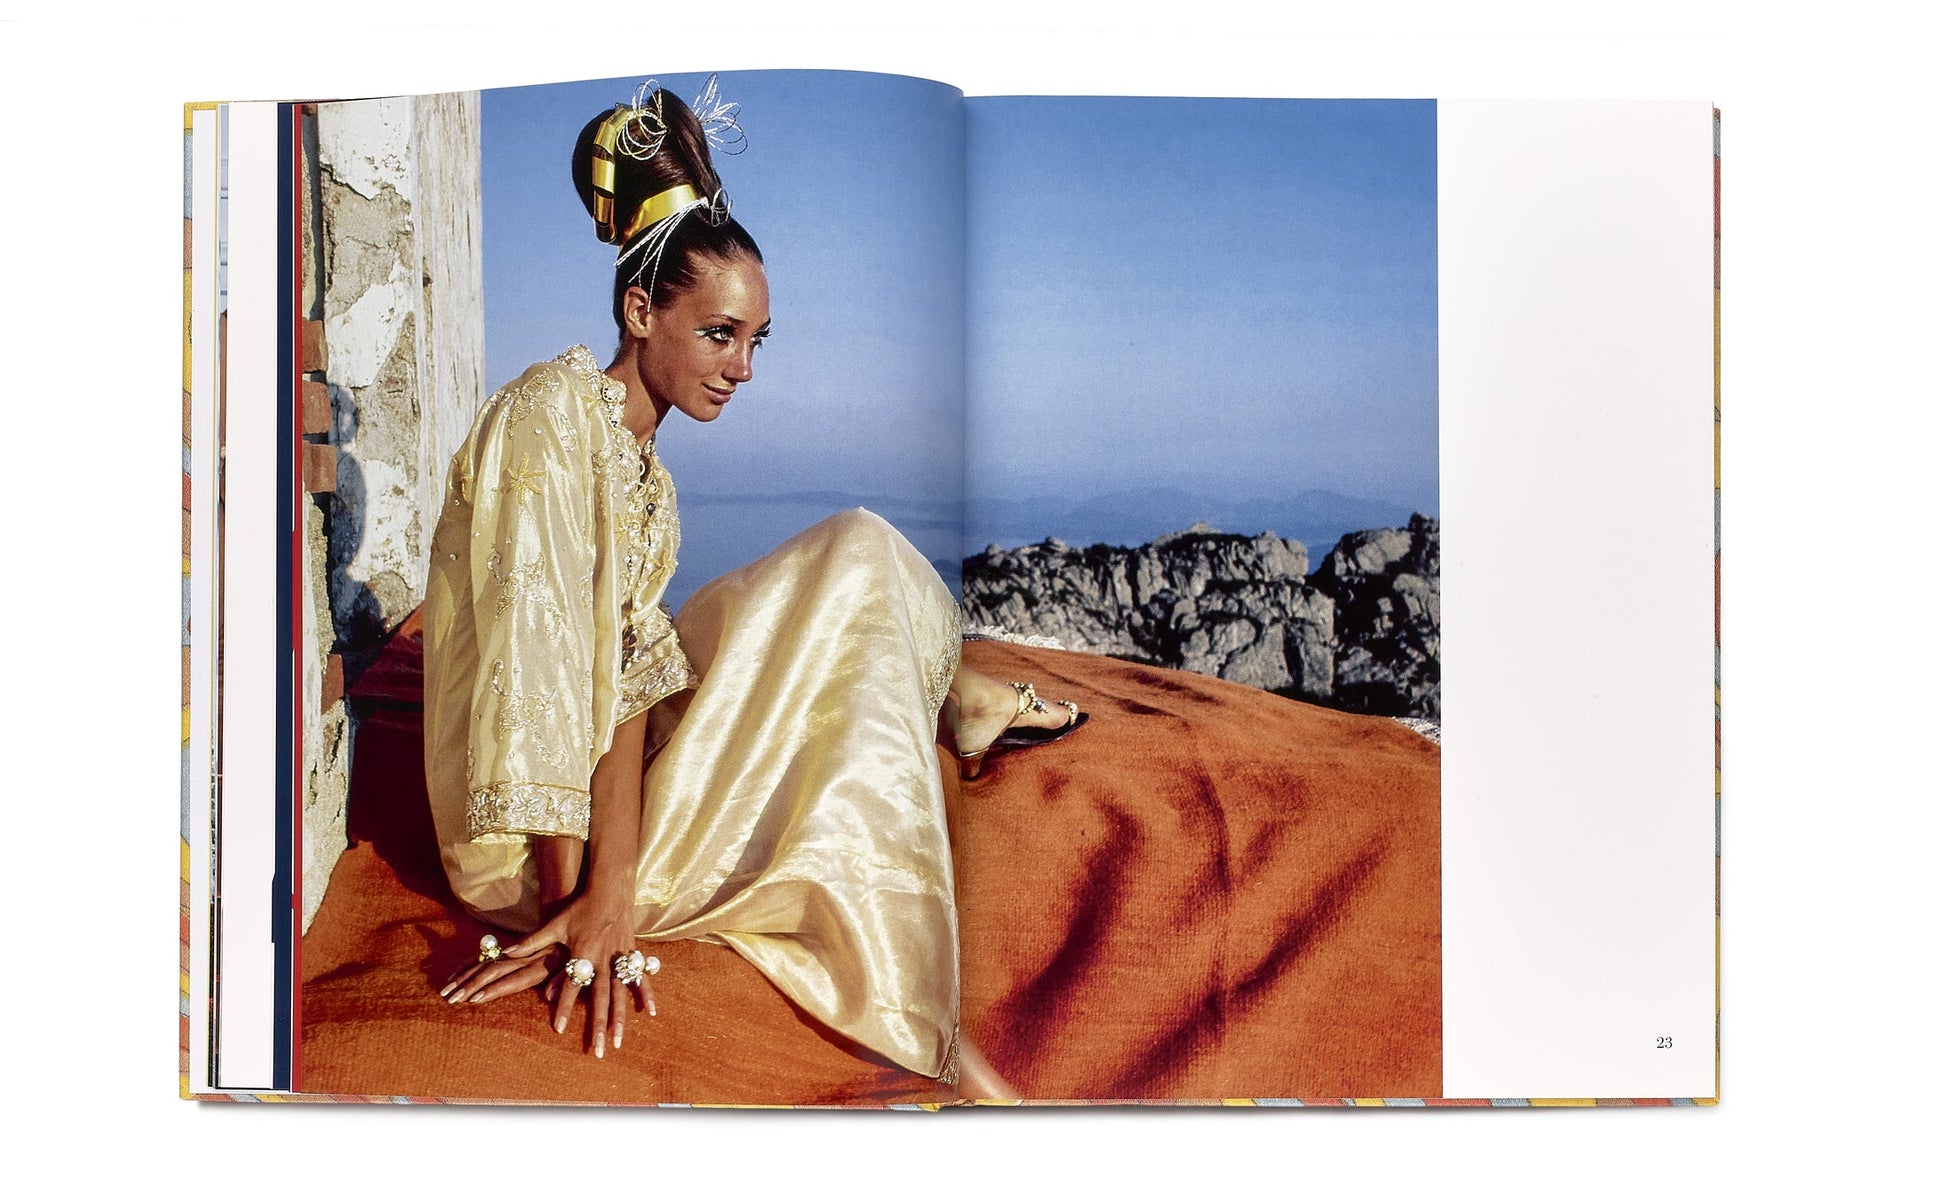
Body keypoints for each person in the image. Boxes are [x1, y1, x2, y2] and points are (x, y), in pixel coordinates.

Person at [419, 81, 1081, 1100]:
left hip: (605, 796)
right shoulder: (552, 415)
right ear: (641, 311)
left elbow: (629, 682)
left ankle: (955, 696)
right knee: (842, 707)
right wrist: (594, 903)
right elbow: (540, 674)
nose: (743, 367)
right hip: (527, 846)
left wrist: (618, 862)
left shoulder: (646, 471)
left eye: (754, 341)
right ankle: (929, 1020)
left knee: (855, 545)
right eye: (721, 333)